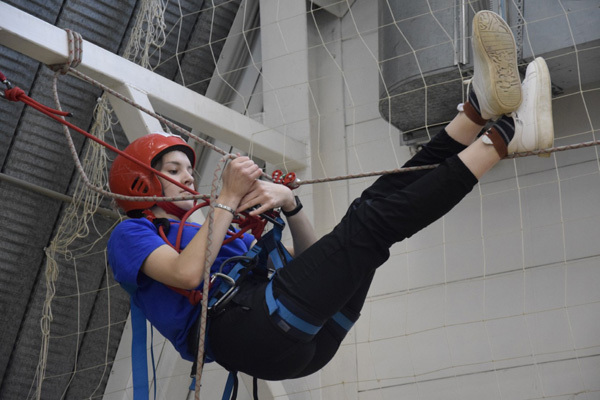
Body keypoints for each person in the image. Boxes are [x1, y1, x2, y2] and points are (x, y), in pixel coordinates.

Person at [107, 10, 553, 382]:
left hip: (290, 330)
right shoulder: (131, 234)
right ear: (142, 185)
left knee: (368, 209)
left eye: (188, 168)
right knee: (369, 226)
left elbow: (311, 265)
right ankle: (506, 136)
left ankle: (476, 113)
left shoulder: (212, 230)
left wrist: (290, 205)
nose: (188, 178)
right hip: (250, 330)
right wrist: (226, 198)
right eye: (174, 171)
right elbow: (187, 274)